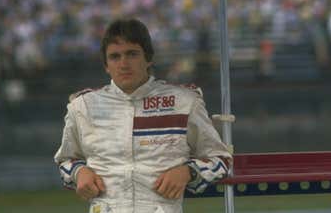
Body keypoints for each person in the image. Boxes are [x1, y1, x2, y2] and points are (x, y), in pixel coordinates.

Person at [55, 18, 231, 213]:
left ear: (148, 58)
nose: (123, 64)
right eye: (115, 56)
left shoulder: (184, 102)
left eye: (132, 54)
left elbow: (220, 159)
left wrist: (187, 171)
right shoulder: (82, 106)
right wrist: (79, 172)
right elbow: (66, 160)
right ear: (106, 65)